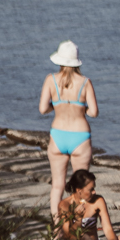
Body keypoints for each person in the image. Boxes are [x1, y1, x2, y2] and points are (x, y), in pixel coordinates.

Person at [37, 41, 97, 219]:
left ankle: (57, 228)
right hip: (80, 137)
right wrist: (80, 109)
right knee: (81, 188)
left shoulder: (51, 80)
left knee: (57, 185)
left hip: (58, 135)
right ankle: (79, 226)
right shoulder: (85, 82)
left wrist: (56, 107)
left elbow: (42, 109)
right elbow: (93, 112)